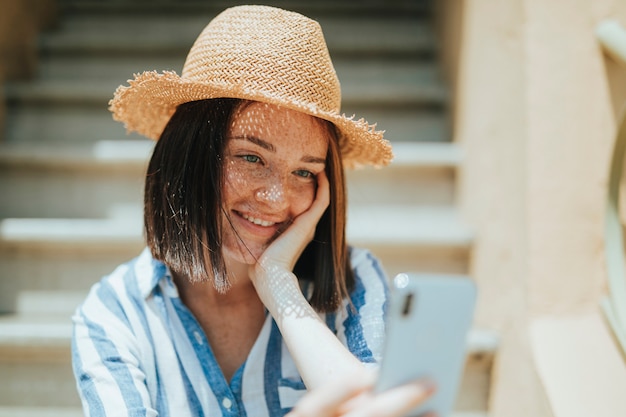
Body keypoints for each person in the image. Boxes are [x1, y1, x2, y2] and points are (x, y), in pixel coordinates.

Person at [71, 5, 433, 416]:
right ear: (187, 155)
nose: (278, 199)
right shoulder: (115, 315)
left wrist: (281, 289)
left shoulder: (355, 282)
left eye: (304, 171)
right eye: (251, 158)